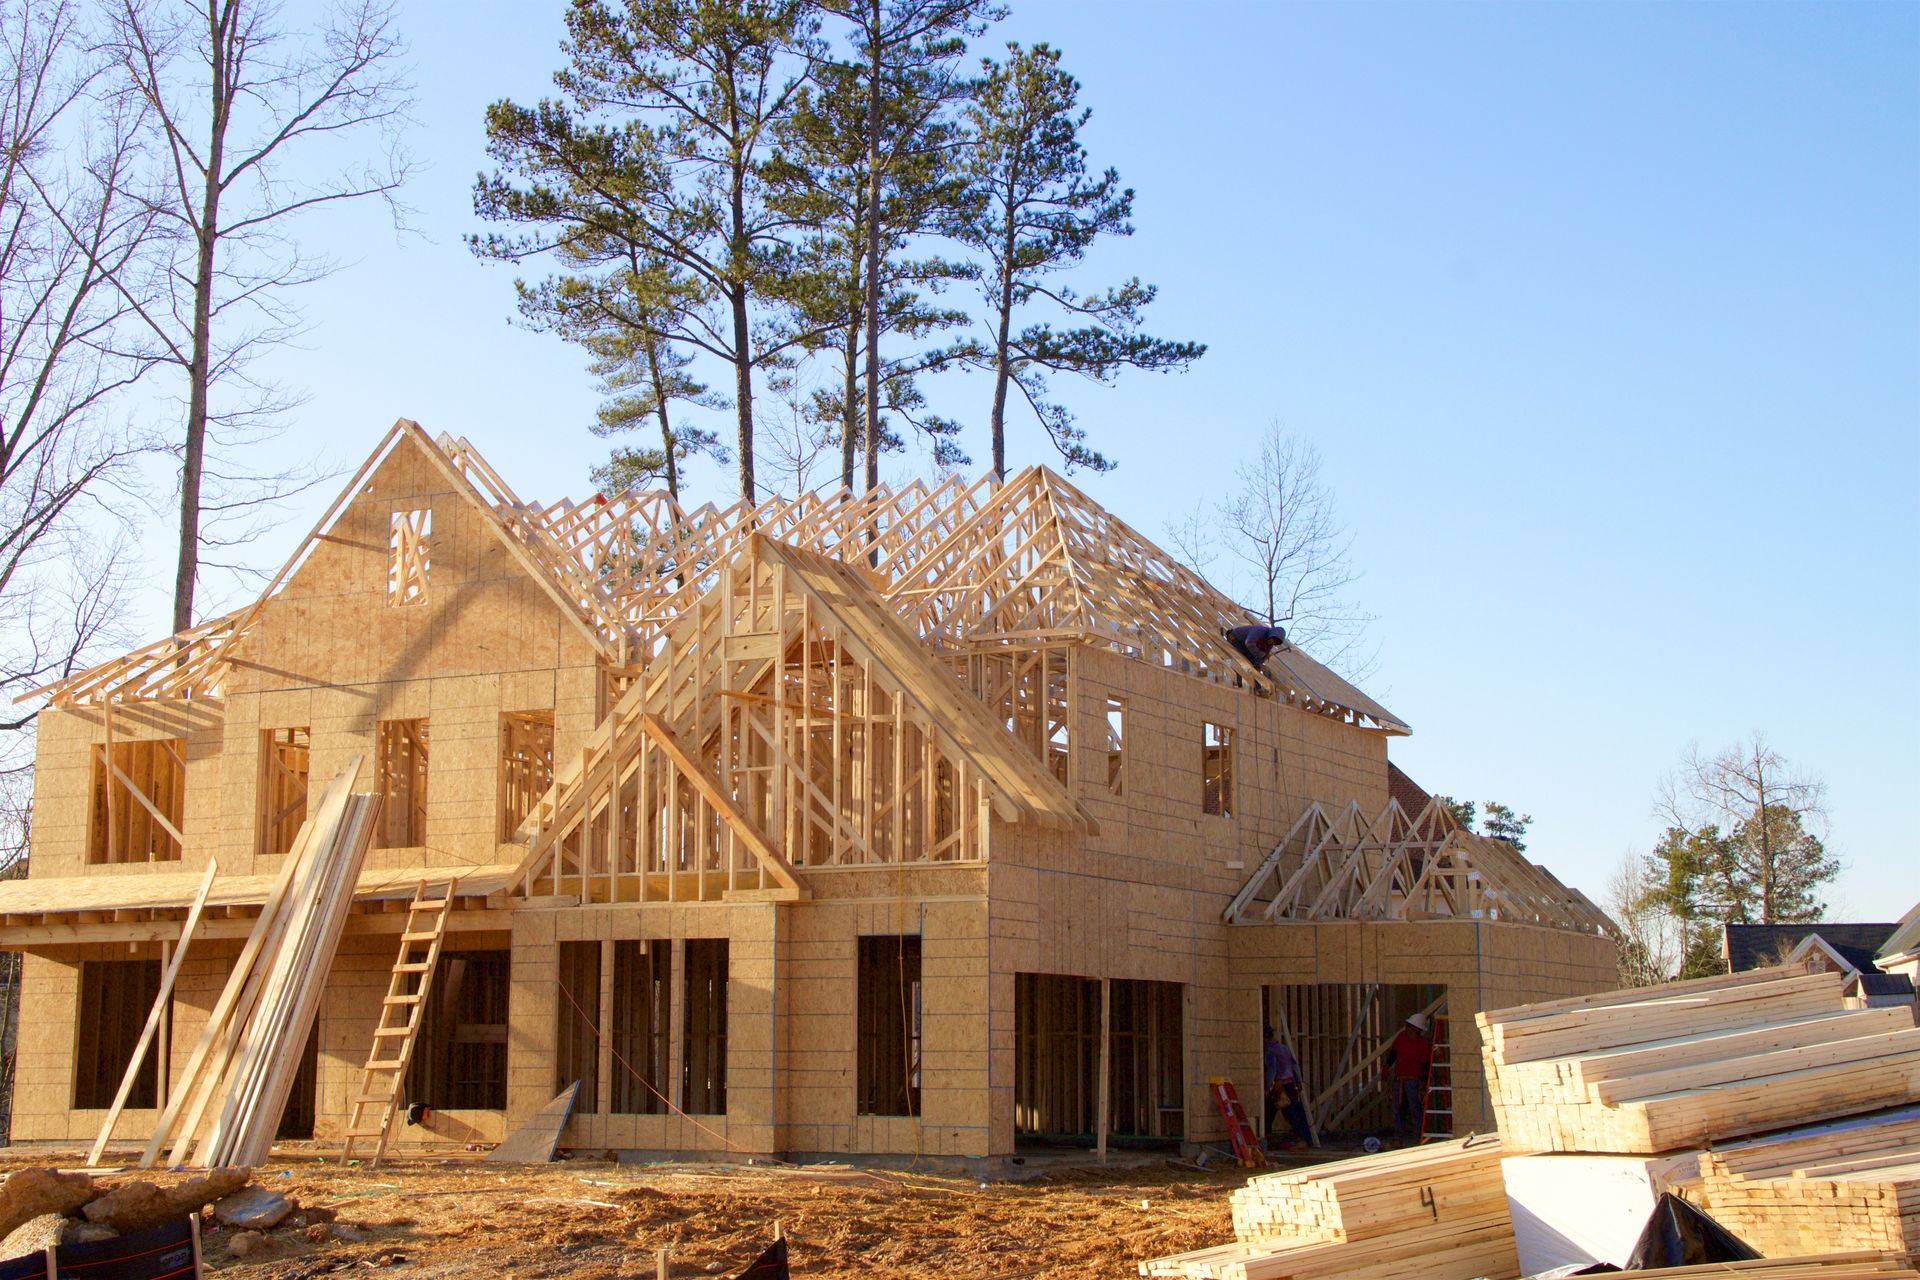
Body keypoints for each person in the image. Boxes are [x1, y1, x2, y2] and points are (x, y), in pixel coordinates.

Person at [1383, 1012, 1434, 1144]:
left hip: (1414, 1081)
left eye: (1411, 1027)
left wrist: (1424, 1082)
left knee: (1414, 1108)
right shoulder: (1401, 1037)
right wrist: (1387, 1066)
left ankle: (1418, 1137)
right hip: (1399, 1080)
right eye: (1408, 1026)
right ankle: (1398, 1137)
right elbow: (1393, 1053)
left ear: (1418, 1030)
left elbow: (1425, 1065)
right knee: (1397, 1109)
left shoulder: (1422, 1044)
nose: (1408, 1029)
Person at [1262, 1023, 1313, 1150]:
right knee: (1290, 1112)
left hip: (1280, 1087)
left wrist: (1268, 1088)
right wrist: (1298, 1081)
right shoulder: (1284, 1048)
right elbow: (1294, 1065)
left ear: (1265, 1037)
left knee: (1290, 1113)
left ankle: (1302, 1140)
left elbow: (1272, 1070)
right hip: (1290, 1084)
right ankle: (1305, 1139)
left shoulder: (1270, 1051)